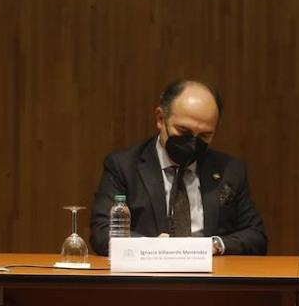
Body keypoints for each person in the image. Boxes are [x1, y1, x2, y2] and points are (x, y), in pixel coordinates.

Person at [89, 79, 267, 256]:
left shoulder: (230, 170)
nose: (192, 143)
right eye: (183, 132)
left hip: (211, 277)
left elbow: (256, 236)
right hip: (146, 278)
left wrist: (215, 245)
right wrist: (153, 247)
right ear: (160, 119)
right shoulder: (124, 166)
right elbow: (102, 233)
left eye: (204, 135)